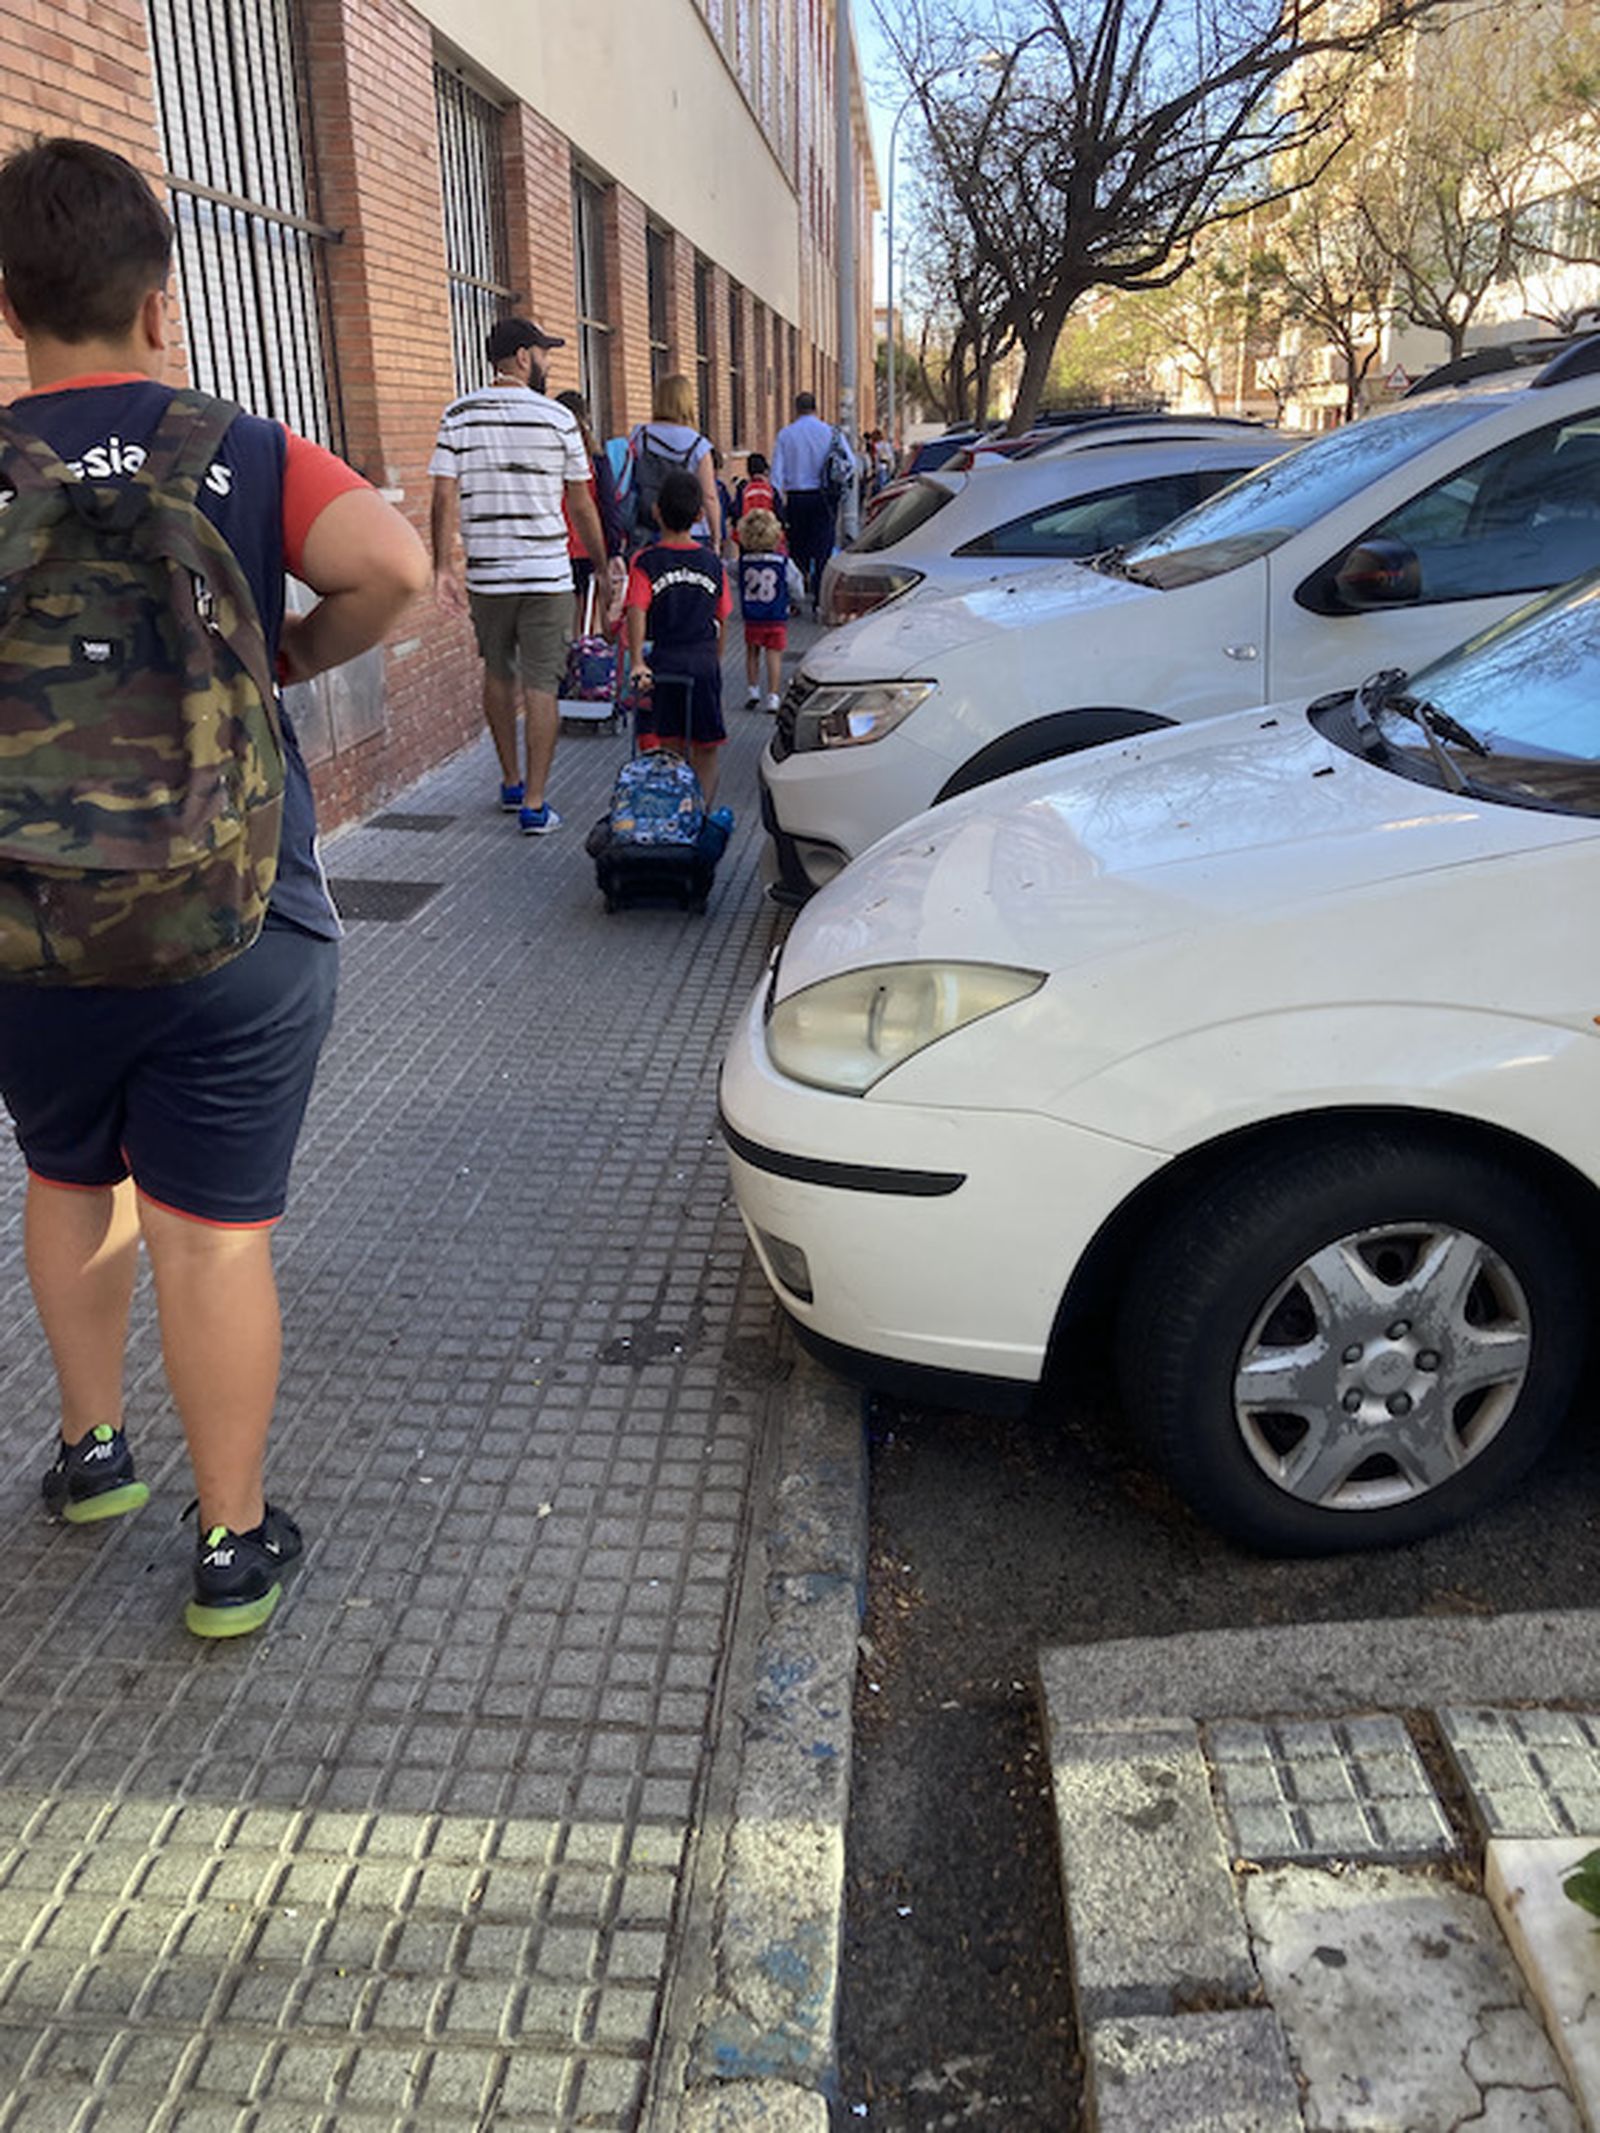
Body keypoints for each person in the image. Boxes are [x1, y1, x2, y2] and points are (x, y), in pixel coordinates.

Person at [0, 137, 430, 1637]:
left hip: (28, 926)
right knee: (214, 1233)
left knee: (66, 1175)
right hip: (238, 915)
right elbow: (392, 565)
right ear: (159, 303)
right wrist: (281, 660)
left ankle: (91, 1452)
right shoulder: (234, 444)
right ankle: (232, 1548)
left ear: (13, 307)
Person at [429, 318, 608, 835]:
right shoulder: (558, 420)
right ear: (524, 357)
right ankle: (534, 802)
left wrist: (442, 566)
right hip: (548, 575)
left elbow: (443, 494)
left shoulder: (458, 414)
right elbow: (581, 504)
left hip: (488, 575)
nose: (547, 363)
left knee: (497, 671)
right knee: (541, 683)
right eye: (544, 353)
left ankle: (509, 780)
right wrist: (601, 565)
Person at [623, 466, 732, 804]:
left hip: (663, 661)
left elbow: (636, 609)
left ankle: (669, 813)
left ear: (656, 511)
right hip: (702, 661)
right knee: (707, 747)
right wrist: (716, 658)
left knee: (668, 745)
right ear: (700, 514)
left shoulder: (646, 561)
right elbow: (723, 616)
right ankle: (700, 813)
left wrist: (638, 660)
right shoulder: (712, 564)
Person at [554, 386, 625, 633]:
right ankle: (591, 666)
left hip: (556, 549)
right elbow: (608, 505)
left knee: (563, 620)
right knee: (592, 618)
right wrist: (614, 548)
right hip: (591, 547)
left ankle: (567, 665)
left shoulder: (549, 458)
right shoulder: (595, 459)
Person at [625, 373, 720, 551]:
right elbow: (709, 497)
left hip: (647, 526)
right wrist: (716, 537)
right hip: (692, 532)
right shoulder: (698, 444)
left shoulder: (640, 435)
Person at [769, 389, 837, 613]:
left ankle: (796, 601)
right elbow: (849, 464)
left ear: (796, 409)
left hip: (796, 498)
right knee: (822, 550)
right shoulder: (830, 433)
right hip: (823, 497)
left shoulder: (785, 435)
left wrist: (778, 504)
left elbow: (776, 476)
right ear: (816, 408)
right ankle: (819, 600)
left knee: (797, 550)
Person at [736, 507, 789, 713]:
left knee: (752, 652)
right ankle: (773, 696)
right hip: (776, 616)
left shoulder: (743, 562)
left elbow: (730, 570)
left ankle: (753, 689)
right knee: (774, 655)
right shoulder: (782, 563)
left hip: (752, 617)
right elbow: (794, 584)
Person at [734, 451, 775, 524]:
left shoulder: (743, 489)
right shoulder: (771, 489)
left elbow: (737, 512)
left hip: (748, 529)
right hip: (768, 529)